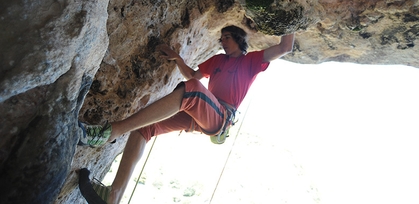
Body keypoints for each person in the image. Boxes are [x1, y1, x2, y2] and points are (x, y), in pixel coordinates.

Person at [78, 25, 295, 204]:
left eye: (226, 37)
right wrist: (177, 58)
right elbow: (193, 74)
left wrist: (289, 20)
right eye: (221, 38)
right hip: (201, 113)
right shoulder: (218, 60)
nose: (222, 42)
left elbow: (285, 46)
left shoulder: (251, 61)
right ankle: (113, 196)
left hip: (220, 116)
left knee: (192, 89)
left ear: (239, 39)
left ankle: (110, 131)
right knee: (145, 129)